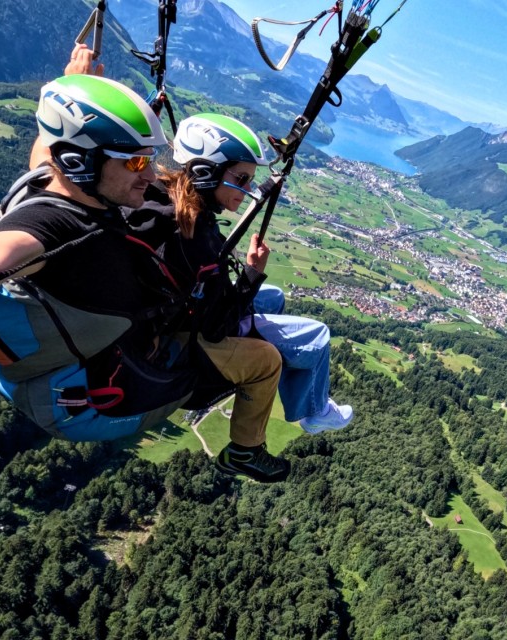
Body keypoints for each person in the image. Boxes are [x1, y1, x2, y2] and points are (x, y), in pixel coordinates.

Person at [0, 75, 291, 482]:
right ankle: (246, 449)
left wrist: (73, 74)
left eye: (149, 160)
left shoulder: (53, 185)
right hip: (93, 403)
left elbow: (45, 149)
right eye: (136, 162)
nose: (151, 175)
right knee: (266, 360)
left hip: (78, 368)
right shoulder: (61, 231)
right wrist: (248, 279)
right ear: (78, 163)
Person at [137, 112, 354, 434]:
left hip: (180, 312)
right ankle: (315, 412)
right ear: (205, 173)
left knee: (274, 296)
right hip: (193, 331)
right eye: (241, 179)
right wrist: (251, 274)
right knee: (317, 335)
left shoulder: (164, 198)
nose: (249, 188)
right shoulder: (194, 236)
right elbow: (217, 324)